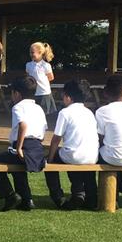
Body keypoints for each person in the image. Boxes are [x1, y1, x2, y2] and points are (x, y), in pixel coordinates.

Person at [0, 76, 46, 211]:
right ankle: (27, 199)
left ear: (17, 94)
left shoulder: (18, 107)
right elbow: (43, 131)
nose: (12, 97)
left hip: (24, 147)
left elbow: (23, 125)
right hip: (37, 149)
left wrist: (19, 147)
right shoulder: (39, 108)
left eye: (12, 93)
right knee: (17, 166)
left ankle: (10, 195)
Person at [45, 79, 99, 210]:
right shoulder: (89, 113)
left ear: (68, 97)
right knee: (83, 164)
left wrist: (50, 159)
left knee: (54, 161)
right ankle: (91, 197)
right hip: (92, 156)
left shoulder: (65, 112)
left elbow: (56, 139)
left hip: (73, 155)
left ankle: (59, 197)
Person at [95, 74, 122, 197]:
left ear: (105, 93)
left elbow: (100, 137)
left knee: (101, 151)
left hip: (111, 157)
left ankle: (97, 193)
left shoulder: (102, 111)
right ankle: (121, 185)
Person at [26, 42, 56, 115]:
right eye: (30, 52)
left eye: (33, 52)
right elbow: (28, 77)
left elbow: (51, 77)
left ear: (40, 53)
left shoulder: (46, 65)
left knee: (44, 113)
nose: (31, 54)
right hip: (33, 92)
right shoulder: (28, 65)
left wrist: (41, 81)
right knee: (33, 113)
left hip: (44, 92)